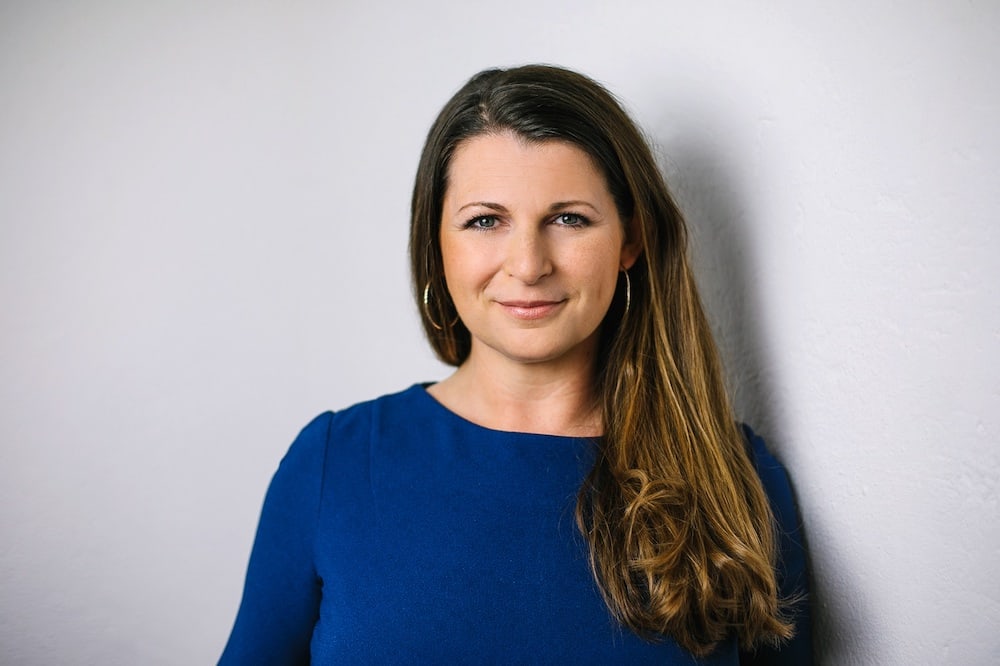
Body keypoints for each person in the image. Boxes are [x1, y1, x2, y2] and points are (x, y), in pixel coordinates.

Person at [219, 64, 811, 664]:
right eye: (485, 221)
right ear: (436, 242)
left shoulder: (736, 481)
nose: (528, 265)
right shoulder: (332, 465)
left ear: (630, 240)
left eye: (568, 219)